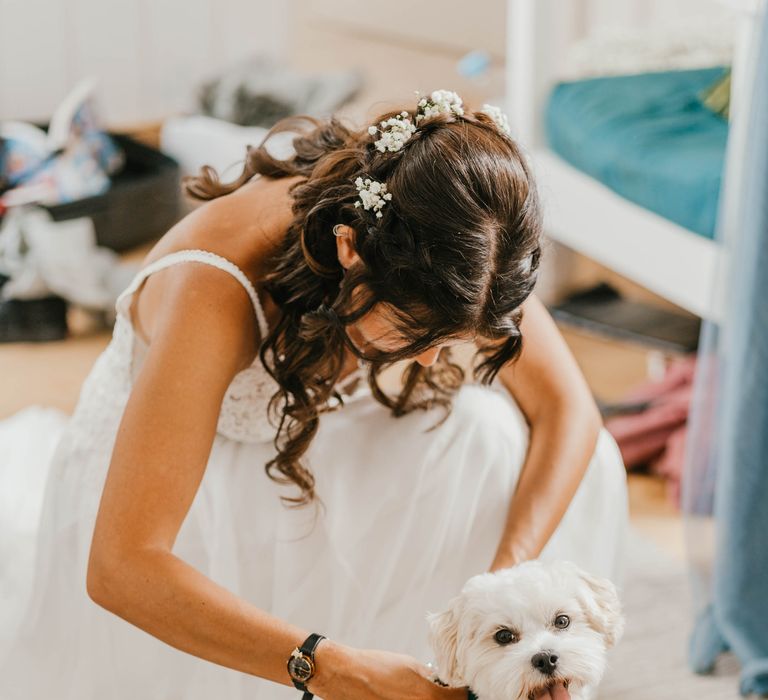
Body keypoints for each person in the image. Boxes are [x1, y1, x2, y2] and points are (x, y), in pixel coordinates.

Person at [0, 90, 628, 700]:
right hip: (187, 508)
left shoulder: (458, 229)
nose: (436, 359)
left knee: (510, 439)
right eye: (416, 333)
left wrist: (505, 582)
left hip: (322, 441)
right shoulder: (213, 287)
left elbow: (567, 409)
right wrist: (329, 668)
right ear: (350, 249)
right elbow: (121, 568)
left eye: (455, 339)